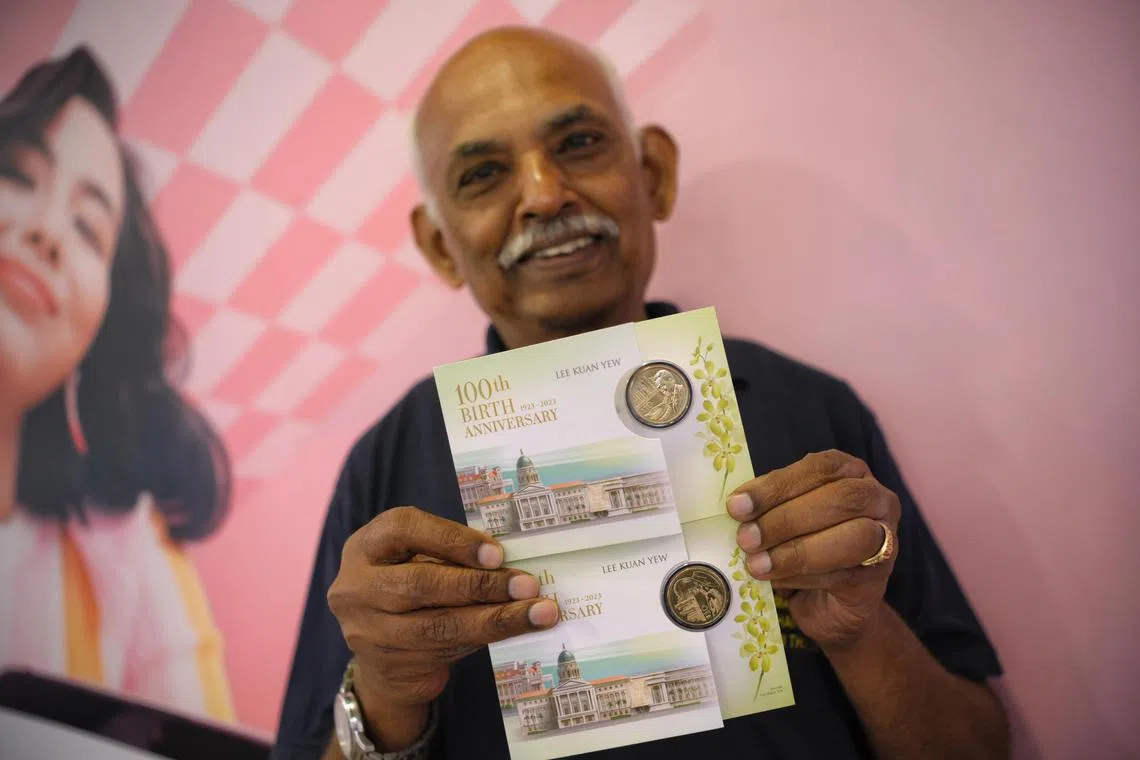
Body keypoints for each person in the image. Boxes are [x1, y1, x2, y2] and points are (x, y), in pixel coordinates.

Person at [274, 27, 1009, 760]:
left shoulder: (813, 414)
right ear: (440, 245)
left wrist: (860, 628)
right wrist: (384, 692)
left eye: (580, 143)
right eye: (483, 175)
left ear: (652, 173)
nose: (543, 194)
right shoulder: (386, 471)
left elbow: (978, 747)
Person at [0, 48, 234, 723]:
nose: (45, 229)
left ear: (97, 331)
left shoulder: (128, 559)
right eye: (16, 175)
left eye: (86, 227)